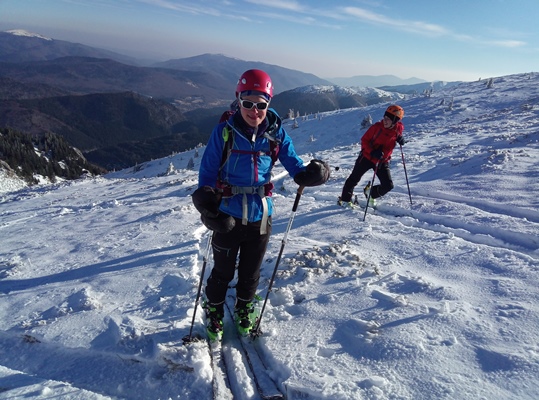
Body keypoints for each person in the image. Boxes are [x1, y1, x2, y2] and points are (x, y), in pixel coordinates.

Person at [192, 69, 330, 341]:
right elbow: (207, 173)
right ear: (238, 100)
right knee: (222, 270)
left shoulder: (276, 133)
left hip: (261, 214)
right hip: (227, 213)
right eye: (247, 103)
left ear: (268, 104)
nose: (254, 111)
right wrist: (207, 204)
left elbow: (294, 164)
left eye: (261, 104)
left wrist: (311, 174)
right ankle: (215, 308)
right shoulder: (224, 132)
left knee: (251, 270)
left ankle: (244, 307)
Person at [338, 105, 405, 208]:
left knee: (388, 186)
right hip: (366, 157)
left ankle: (370, 193)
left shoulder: (398, 130)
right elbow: (364, 141)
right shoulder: (376, 127)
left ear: (395, 121)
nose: (385, 121)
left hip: (382, 160)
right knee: (353, 179)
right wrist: (372, 152)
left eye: (388, 119)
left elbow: (393, 138)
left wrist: (400, 139)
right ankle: (345, 201)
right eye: (385, 117)